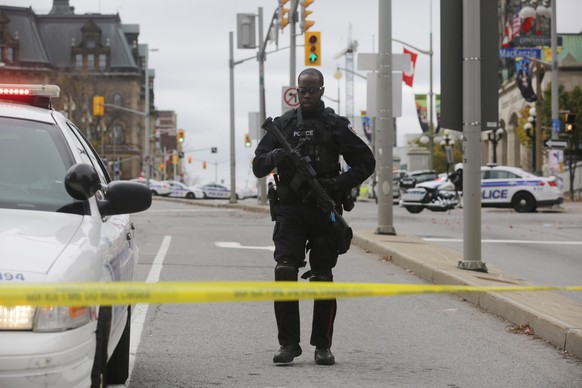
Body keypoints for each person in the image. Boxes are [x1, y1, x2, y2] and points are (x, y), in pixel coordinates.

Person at [252, 68, 375, 366]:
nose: (306, 96)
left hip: (324, 208)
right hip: (290, 209)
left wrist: (338, 185)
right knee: (284, 271)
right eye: (301, 91)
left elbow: (365, 162)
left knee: (322, 276)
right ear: (296, 91)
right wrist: (277, 157)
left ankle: (323, 345)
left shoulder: (334, 125)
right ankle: (288, 344)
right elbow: (258, 165)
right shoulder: (282, 125)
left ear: (321, 90)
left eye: (311, 90)